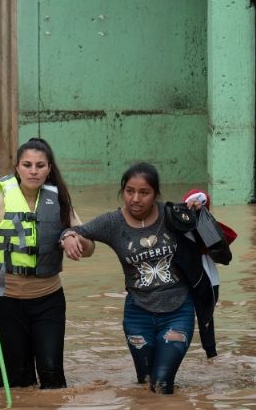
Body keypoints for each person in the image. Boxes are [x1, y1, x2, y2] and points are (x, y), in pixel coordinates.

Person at [61, 162, 215, 394]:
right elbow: (73, 231)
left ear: (155, 194)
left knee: (162, 384)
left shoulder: (171, 215)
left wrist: (198, 202)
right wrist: (69, 238)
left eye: (144, 192)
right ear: (123, 191)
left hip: (178, 311)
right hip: (137, 315)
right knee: (144, 382)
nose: (135, 198)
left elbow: (201, 204)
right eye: (130, 191)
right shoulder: (112, 223)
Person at [0, 138, 93, 390]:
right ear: (17, 167)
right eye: (27, 165)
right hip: (6, 301)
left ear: (48, 169)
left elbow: (89, 247)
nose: (33, 171)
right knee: (15, 381)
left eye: (40, 165)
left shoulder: (60, 202)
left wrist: (73, 238)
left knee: (52, 374)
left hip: (49, 301)